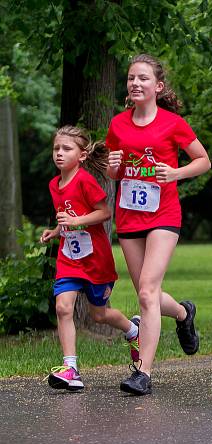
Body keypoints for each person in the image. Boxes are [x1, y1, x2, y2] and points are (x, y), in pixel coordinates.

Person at [106, 54, 211, 395]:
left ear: (158, 86)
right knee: (146, 294)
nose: (135, 83)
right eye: (131, 78)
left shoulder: (172, 123)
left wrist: (176, 173)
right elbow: (113, 172)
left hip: (163, 215)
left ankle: (144, 373)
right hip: (129, 216)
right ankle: (183, 313)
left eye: (143, 79)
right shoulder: (118, 124)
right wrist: (113, 165)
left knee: (148, 293)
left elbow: (203, 160)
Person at [41, 126, 140, 391]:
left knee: (98, 315)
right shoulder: (54, 184)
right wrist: (57, 230)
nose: (60, 154)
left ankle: (133, 330)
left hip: (95, 260)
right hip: (69, 258)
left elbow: (104, 212)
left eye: (66, 149)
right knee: (63, 307)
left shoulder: (84, 181)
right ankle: (70, 368)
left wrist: (75, 221)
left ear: (82, 155)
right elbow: (66, 215)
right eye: (56, 149)